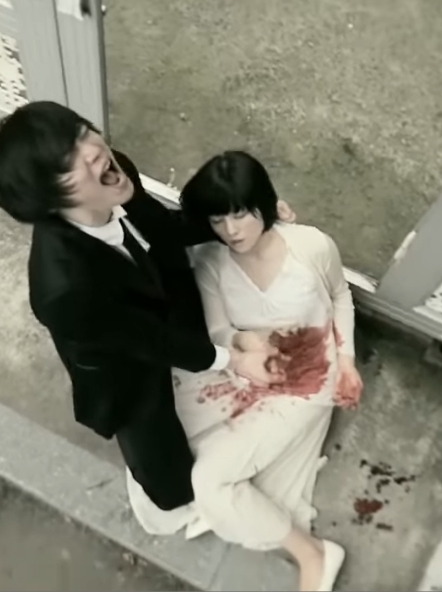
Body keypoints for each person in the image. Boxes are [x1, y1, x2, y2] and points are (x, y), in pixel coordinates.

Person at [0, 102, 292, 513]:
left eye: (82, 132)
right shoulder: (63, 289)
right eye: (68, 165)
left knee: (188, 325)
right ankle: (173, 491)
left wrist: (250, 213)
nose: (92, 150)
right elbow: (147, 340)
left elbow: (164, 227)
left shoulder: (116, 175)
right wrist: (233, 360)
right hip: (119, 359)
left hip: (157, 287)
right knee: (163, 465)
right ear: (47, 201)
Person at [126, 151, 364, 591]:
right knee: (169, 447)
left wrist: (347, 361)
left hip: (307, 377)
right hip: (244, 370)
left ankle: (312, 553)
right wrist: (247, 347)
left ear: (264, 205)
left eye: (240, 214)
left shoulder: (310, 245)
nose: (231, 230)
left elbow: (340, 297)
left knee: (211, 482)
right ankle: (254, 518)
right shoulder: (212, 259)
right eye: (218, 219)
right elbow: (219, 329)